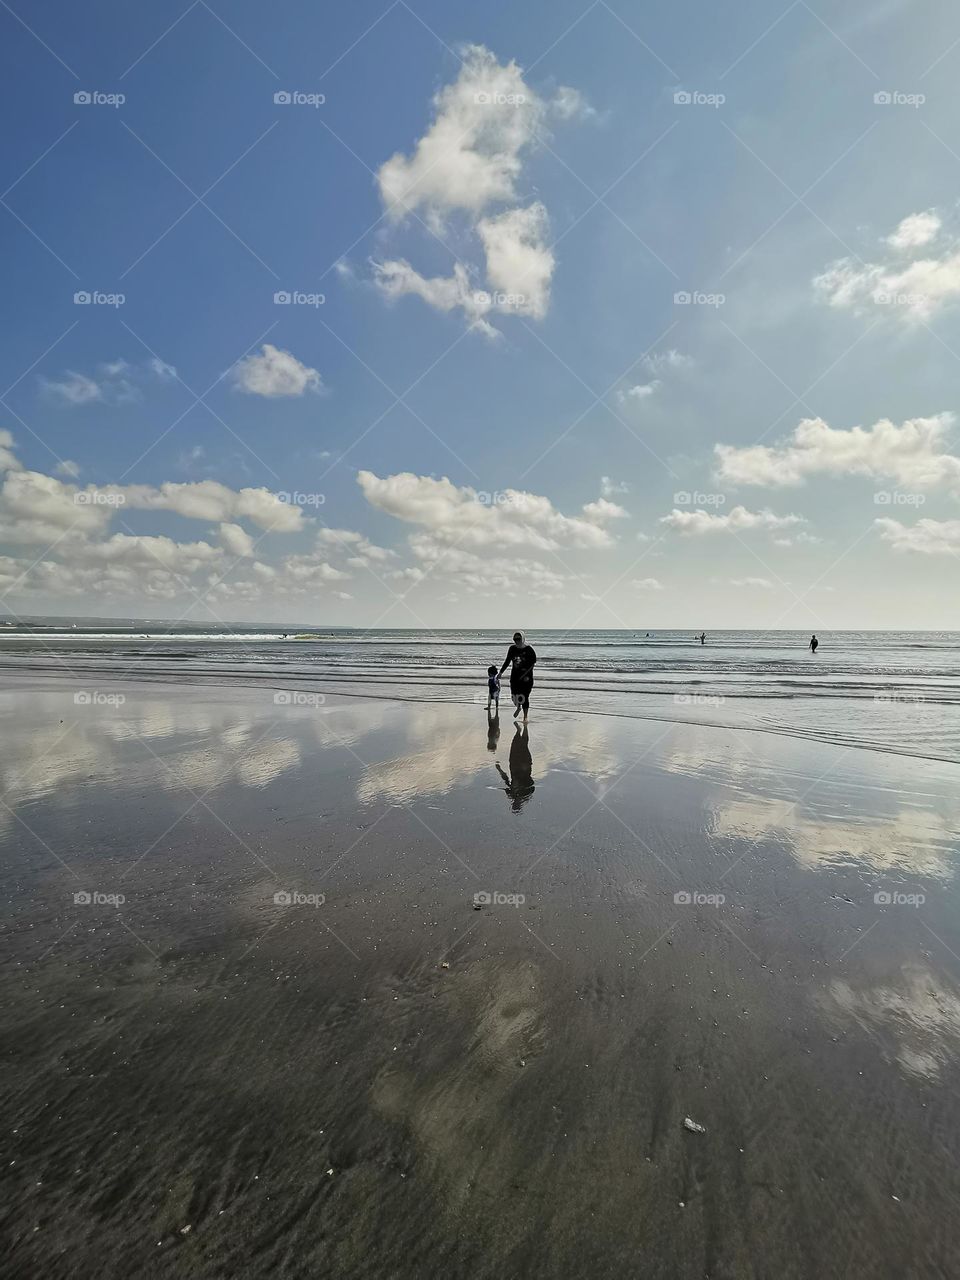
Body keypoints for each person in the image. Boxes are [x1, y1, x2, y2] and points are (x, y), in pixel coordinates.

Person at [499, 630, 537, 721]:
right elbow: (507, 661)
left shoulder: (529, 649)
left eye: (518, 639)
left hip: (526, 678)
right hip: (515, 677)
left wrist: (525, 674)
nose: (517, 641)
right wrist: (501, 672)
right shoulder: (512, 649)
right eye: (515, 639)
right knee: (514, 697)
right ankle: (518, 707)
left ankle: (525, 716)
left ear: (523, 639)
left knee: (525, 697)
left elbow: (532, 663)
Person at [496, 724, 535, 812]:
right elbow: (532, 786)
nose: (515, 802)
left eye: (514, 803)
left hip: (514, 765)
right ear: (520, 804)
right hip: (525, 765)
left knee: (516, 745)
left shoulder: (511, 794)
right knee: (524, 745)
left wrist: (499, 769)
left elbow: (505, 779)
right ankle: (523, 728)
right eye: (516, 804)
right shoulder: (526, 793)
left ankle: (519, 730)